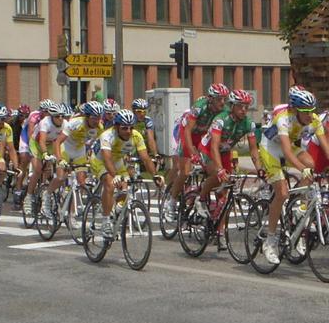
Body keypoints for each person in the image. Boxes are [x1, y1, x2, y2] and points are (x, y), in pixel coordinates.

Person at [258, 89, 329, 265]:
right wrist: (301, 169)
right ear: (295, 109)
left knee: (311, 164)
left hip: (288, 147)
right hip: (271, 149)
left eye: (312, 110)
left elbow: (327, 149)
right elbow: (287, 152)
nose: (309, 115)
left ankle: (297, 206)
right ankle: (270, 241)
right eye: (305, 111)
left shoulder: (314, 121)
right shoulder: (283, 118)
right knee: (282, 193)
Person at [195, 90, 263, 245]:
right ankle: (202, 198)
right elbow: (213, 147)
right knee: (217, 175)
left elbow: (253, 150)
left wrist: (259, 168)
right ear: (232, 106)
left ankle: (219, 232)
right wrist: (219, 169)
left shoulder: (248, 123)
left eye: (246, 106)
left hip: (224, 153)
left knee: (225, 197)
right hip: (208, 150)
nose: (244, 110)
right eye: (240, 106)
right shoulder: (220, 120)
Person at [90, 109, 162, 239]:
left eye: (130, 127)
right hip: (99, 160)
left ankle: (115, 210)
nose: (128, 131)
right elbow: (106, 159)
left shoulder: (136, 136)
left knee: (125, 187)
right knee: (110, 184)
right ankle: (106, 221)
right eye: (124, 128)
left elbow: (145, 159)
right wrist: (115, 175)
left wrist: (155, 175)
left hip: (117, 161)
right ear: (116, 127)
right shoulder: (107, 135)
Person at [163, 83, 230, 220]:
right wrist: (192, 153)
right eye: (219, 99)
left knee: (214, 169)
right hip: (187, 133)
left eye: (224, 99)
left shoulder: (224, 111)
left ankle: (201, 196)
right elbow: (187, 131)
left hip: (203, 136)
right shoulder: (200, 107)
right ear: (210, 98)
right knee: (185, 171)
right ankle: (172, 201)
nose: (222, 102)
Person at [50, 101, 105, 211]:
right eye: (94, 118)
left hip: (79, 151)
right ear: (87, 116)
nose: (96, 121)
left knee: (81, 183)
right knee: (61, 177)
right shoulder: (75, 123)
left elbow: (98, 145)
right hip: (65, 149)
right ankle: (47, 194)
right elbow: (57, 142)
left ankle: (71, 213)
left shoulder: (99, 128)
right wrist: (59, 159)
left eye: (99, 117)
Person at [24, 103, 66, 216]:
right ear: (52, 116)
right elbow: (41, 141)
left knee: (56, 168)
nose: (60, 118)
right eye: (57, 116)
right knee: (37, 170)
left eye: (62, 116)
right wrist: (45, 154)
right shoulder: (45, 122)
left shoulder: (65, 124)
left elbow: (63, 142)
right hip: (37, 144)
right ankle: (28, 196)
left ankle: (45, 188)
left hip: (52, 144)